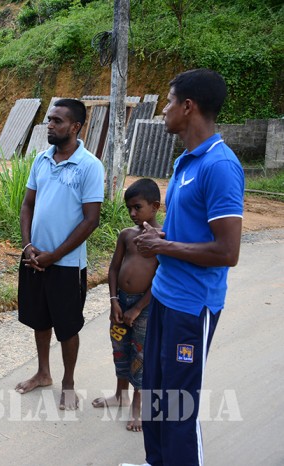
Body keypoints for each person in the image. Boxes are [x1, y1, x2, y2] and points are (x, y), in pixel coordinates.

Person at [123, 69, 245, 466]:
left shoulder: (220, 166)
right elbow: (185, 233)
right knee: (156, 392)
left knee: (178, 407)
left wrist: (164, 245)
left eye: (169, 101)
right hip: (164, 296)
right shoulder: (184, 163)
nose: (164, 109)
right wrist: (160, 236)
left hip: (192, 306)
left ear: (188, 106)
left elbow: (227, 251)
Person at [15, 98, 104, 410]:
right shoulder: (41, 160)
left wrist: (54, 255)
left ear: (75, 127)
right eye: (49, 120)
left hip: (66, 263)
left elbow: (91, 220)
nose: (49, 125)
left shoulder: (90, 166)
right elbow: (27, 205)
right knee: (39, 319)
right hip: (34, 258)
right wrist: (28, 246)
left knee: (67, 326)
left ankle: (68, 382)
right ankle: (43, 373)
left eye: (57, 121)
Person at [92, 178, 161, 432]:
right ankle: (120, 394)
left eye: (137, 207)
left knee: (140, 354)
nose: (132, 213)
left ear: (155, 206)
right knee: (120, 349)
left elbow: (161, 279)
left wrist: (138, 307)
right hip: (121, 303)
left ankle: (137, 406)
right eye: (129, 208)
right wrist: (114, 301)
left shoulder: (163, 239)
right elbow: (113, 269)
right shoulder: (126, 235)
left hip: (145, 307)